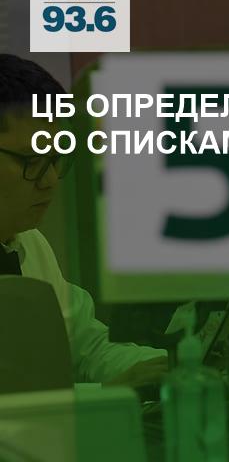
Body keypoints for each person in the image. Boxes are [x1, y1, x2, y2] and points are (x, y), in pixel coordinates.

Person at [0, 54, 168, 387]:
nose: (50, 181)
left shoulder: (28, 243)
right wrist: (106, 393)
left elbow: (86, 347)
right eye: (32, 161)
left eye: (55, 159)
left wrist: (169, 365)